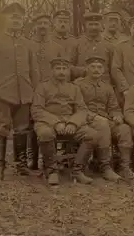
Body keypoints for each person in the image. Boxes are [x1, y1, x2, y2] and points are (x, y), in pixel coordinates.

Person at [0, 2, 39, 180]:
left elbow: (33, 71)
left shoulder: (28, 44)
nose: (16, 20)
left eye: (19, 18)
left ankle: (20, 165)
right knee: (0, 128)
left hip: (24, 95)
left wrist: (35, 94)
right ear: (4, 19)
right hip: (1, 93)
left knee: (22, 130)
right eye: (12, 17)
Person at [31, 54, 99, 185]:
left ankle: (78, 170)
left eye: (64, 68)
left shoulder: (74, 88)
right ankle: (52, 170)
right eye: (58, 68)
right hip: (47, 122)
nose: (62, 71)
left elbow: (82, 109)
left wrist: (73, 123)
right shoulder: (42, 87)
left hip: (69, 122)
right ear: (52, 71)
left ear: (69, 71)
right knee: (45, 134)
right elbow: (37, 110)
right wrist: (56, 123)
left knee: (92, 135)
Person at [74, 55, 134, 181]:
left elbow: (114, 107)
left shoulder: (107, 87)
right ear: (86, 68)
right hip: (85, 120)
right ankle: (105, 167)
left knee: (124, 129)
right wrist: (94, 117)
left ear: (103, 70)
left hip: (105, 120)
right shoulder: (78, 85)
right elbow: (76, 107)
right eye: (92, 67)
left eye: (99, 67)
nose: (96, 70)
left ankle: (125, 167)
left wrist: (117, 116)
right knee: (103, 125)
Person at [28, 12, 66, 170]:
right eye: (40, 23)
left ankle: (51, 158)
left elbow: (64, 69)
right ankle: (33, 157)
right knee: (32, 123)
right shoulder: (28, 44)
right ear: (35, 26)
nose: (42, 26)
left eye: (45, 23)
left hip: (51, 89)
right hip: (31, 87)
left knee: (51, 120)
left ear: (50, 26)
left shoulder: (57, 47)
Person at [71, 12, 114, 82]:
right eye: (90, 24)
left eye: (96, 24)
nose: (93, 27)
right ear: (85, 25)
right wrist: (83, 71)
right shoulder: (77, 43)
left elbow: (113, 69)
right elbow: (69, 66)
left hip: (103, 86)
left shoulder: (109, 45)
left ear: (101, 26)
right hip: (82, 84)